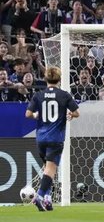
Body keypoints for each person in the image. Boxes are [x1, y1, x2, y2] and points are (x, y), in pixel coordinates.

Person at [25, 67, 80, 211]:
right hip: (55, 137)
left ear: (45, 79)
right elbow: (77, 112)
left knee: (47, 169)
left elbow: (28, 113)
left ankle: (48, 200)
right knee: (50, 169)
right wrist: (70, 115)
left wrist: (36, 115)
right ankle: (40, 196)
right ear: (60, 79)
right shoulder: (64, 95)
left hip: (41, 138)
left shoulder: (39, 95)